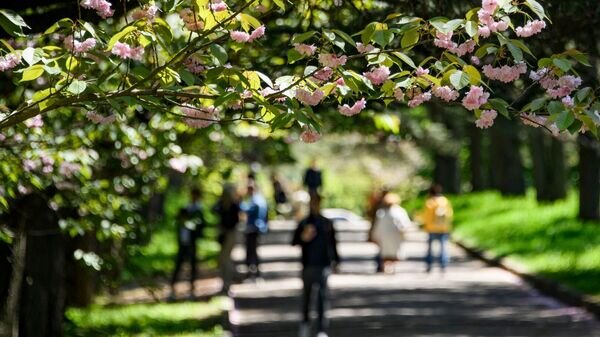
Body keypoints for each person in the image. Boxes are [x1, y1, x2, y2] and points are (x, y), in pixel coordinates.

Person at [292, 194, 340, 337]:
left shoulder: (327, 223)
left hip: (323, 265)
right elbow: (294, 241)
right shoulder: (304, 222)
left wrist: (336, 261)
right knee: (307, 297)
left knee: (322, 297)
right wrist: (304, 237)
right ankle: (305, 324)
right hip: (307, 265)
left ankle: (321, 329)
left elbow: (333, 244)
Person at [170, 187, 206, 300]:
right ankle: (172, 288)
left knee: (192, 264)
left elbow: (201, 225)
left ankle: (192, 289)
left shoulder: (198, 210)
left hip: (192, 241)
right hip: (183, 240)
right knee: (179, 263)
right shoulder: (187, 207)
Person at [372, 193, 412, 274]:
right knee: (393, 252)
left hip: (385, 236)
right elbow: (405, 224)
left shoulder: (381, 212)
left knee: (385, 253)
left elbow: (377, 226)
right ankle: (391, 267)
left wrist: (375, 236)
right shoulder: (400, 211)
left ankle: (386, 267)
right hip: (395, 235)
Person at [213, 184, 241, 294]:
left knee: (226, 259)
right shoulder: (221, 205)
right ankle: (224, 283)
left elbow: (235, 221)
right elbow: (213, 209)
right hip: (223, 234)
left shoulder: (234, 206)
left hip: (231, 234)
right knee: (222, 259)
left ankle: (228, 284)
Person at [422, 184, 454, 273]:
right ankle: (443, 264)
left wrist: (425, 226)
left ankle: (429, 265)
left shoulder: (429, 202)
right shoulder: (445, 201)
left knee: (430, 248)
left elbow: (426, 216)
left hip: (431, 228)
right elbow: (450, 214)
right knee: (443, 247)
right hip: (443, 228)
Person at [241, 182, 268, 279]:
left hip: (253, 228)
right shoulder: (260, 199)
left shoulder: (256, 200)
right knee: (254, 249)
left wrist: (240, 202)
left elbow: (248, 209)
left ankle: (252, 271)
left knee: (250, 250)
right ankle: (255, 270)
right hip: (257, 228)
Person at [366, 186, 389, 273]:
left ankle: (380, 264)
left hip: (380, 226)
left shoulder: (384, 202)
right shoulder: (379, 202)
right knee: (380, 247)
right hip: (378, 225)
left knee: (381, 247)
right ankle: (379, 264)